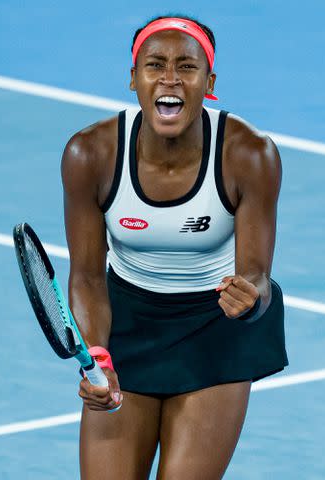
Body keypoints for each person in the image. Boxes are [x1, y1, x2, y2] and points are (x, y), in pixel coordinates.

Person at [61, 15, 289, 480]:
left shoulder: (249, 155)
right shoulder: (90, 155)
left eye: (187, 67)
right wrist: (97, 357)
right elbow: (86, 274)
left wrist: (250, 298)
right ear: (133, 79)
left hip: (215, 331)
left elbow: (257, 277)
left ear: (209, 82)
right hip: (126, 326)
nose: (170, 79)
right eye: (155, 65)